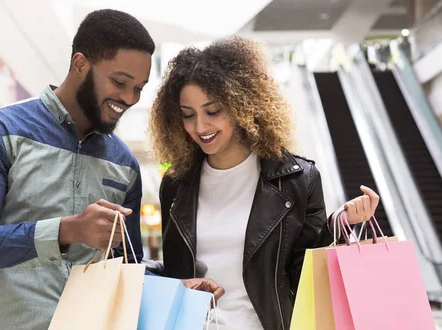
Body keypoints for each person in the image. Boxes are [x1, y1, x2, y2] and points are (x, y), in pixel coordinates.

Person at [148, 36, 381, 330]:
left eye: (213, 111)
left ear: (241, 105)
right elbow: (173, 273)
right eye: (188, 115)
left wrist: (339, 225)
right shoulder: (175, 184)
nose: (200, 127)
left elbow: (302, 273)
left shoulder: (297, 179)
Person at [0, 9, 159, 330]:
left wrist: (178, 283)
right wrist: (68, 230)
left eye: (139, 88)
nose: (129, 98)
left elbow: (129, 267)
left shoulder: (125, 164)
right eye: (120, 81)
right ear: (80, 64)